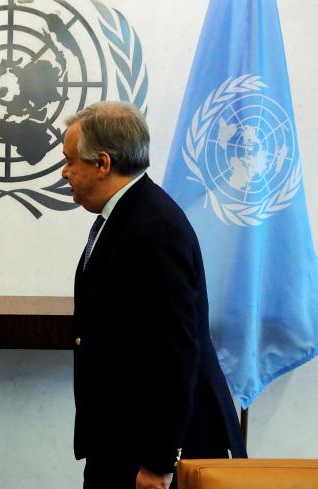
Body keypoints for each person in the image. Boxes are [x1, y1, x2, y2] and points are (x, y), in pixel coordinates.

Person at [62, 101, 247, 489]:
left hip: (152, 451)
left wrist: (159, 461)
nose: (65, 174)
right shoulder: (128, 215)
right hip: (121, 439)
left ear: (103, 163)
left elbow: (175, 352)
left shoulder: (155, 228)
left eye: (70, 161)